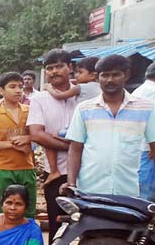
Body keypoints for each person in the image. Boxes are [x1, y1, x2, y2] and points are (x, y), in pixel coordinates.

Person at [66, 54, 155, 197]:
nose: (110, 80)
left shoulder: (146, 108)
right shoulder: (84, 109)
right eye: (105, 75)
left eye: (115, 75)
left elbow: (153, 147)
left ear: (126, 75)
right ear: (97, 78)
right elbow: (75, 148)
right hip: (90, 190)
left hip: (130, 192)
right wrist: (71, 184)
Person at [27, 49, 78, 245]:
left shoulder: (85, 94)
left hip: (89, 172)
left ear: (70, 67)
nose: (54, 71)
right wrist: (73, 146)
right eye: (50, 68)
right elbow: (37, 134)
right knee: (58, 227)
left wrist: (69, 146)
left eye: (59, 66)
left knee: (89, 226)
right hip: (55, 173)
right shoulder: (39, 99)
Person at [0, 72, 36, 217]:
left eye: (20, 87)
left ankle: (27, 239)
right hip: (3, 169)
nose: (18, 90)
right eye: (12, 87)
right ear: (1, 90)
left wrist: (27, 139)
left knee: (28, 212)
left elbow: (41, 134)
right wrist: (11, 144)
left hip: (27, 167)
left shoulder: (29, 111)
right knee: (0, 212)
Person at [42, 56, 102, 185]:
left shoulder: (81, 88)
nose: (77, 76)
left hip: (78, 125)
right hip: (92, 126)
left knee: (51, 137)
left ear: (93, 75)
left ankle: (54, 169)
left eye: (80, 73)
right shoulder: (100, 88)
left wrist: (48, 88)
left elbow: (59, 95)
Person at [134, 63, 155, 200]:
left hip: (139, 146)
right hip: (149, 147)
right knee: (144, 191)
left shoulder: (140, 90)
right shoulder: (152, 91)